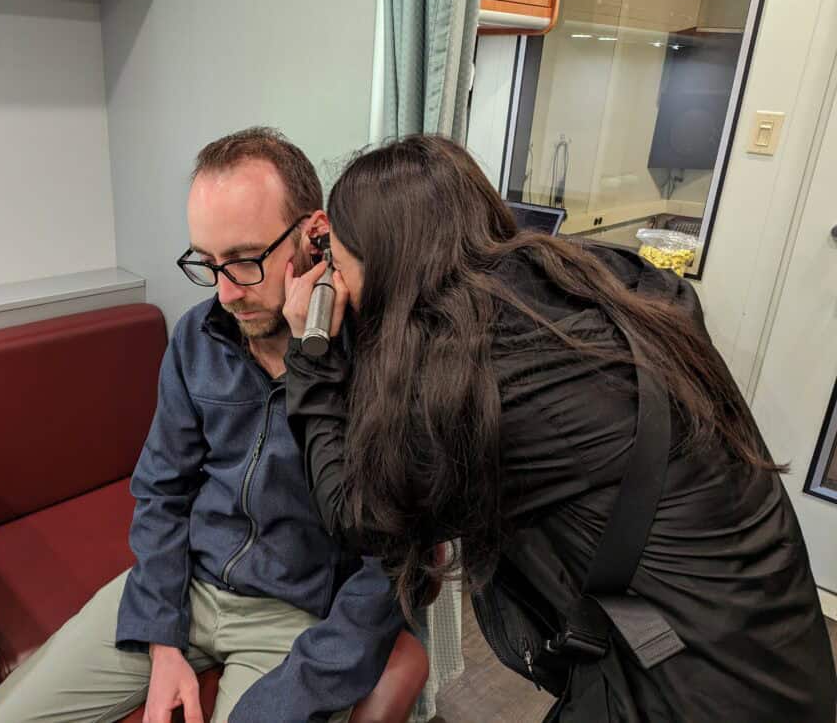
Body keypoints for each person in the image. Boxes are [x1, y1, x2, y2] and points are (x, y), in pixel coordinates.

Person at [282, 135, 837, 722]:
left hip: (697, 689)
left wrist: (311, 359)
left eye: (339, 268)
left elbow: (359, 513)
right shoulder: (588, 287)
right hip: (771, 638)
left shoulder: (492, 387)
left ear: (394, 276)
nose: (334, 285)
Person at [0, 128, 404, 723]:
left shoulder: (378, 362)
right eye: (208, 263)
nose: (225, 292)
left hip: (293, 615)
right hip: (184, 586)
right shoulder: (196, 341)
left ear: (314, 234)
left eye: (247, 261)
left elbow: (392, 565)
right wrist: (162, 639)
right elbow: (161, 489)